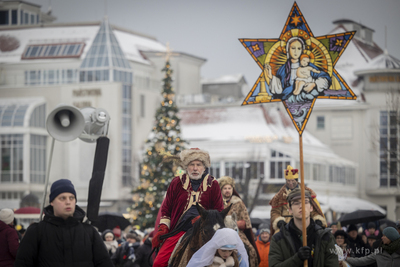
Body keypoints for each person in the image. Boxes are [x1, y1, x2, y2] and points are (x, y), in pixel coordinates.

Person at [14, 179, 114, 267]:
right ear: (52, 202)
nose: (68, 202)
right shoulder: (36, 232)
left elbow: (104, 263)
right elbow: (22, 263)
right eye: (62, 198)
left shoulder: (89, 232)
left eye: (71, 198)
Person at [152, 148, 224, 267]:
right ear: (186, 167)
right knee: (158, 263)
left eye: (198, 165)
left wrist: (203, 221)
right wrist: (163, 227)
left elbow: (219, 210)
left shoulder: (213, 184)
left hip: (205, 232)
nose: (195, 168)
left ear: (204, 167)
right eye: (192, 164)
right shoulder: (176, 182)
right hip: (179, 230)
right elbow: (166, 208)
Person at [269, 188, 338, 266]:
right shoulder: (278, 239)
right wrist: (297, 259)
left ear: (311, 207)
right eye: (296, 203)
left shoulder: (326, 237)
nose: (301, 206)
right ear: (290, 209)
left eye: (305, 202)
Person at [265, 37, 331, 102]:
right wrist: (271, 77)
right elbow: (279, 91)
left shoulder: (308, 66)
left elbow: (325, 77)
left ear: (302, 50)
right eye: (293, 48)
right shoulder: (282, 69)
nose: (296, 51)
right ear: (288, 49)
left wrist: (314, 84)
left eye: (299, 48)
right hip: (289, 100)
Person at [269, 165, 326, 235]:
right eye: (288, 180)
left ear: (296, 180)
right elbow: (275, 212)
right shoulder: (278, 197)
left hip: (304, 224)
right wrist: (279, 221)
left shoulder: (307, 193)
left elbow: (313, 210)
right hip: (285, 226)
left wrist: (317, 219)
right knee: (277, 236)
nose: (290, 183)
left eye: (292, 180)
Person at [217, 176, 259, 267]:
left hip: (237, 233)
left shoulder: (238, 202)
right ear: (221, 189)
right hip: (219, 233)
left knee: (251, 250)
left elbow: (246, 221)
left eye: (229, 188)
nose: (227, 190)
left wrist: (234, 224)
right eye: (225, 188)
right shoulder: (216, 203)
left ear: (232, 189)